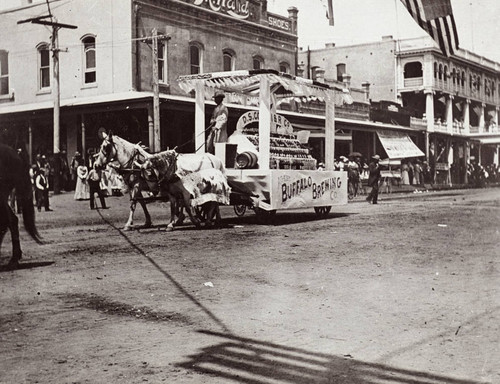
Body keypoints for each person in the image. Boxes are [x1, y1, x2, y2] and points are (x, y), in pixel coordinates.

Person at [206, 90, 228, 155]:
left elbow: (223, 119)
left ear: (220, 99)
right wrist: (212, 121)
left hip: (219, 131)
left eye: (216, 98)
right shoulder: (216, 108)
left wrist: (216, 127)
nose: (215, 100)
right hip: (214, 130)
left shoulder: (223, 108)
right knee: (209, 144)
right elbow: (213, 119)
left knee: (218, 146)